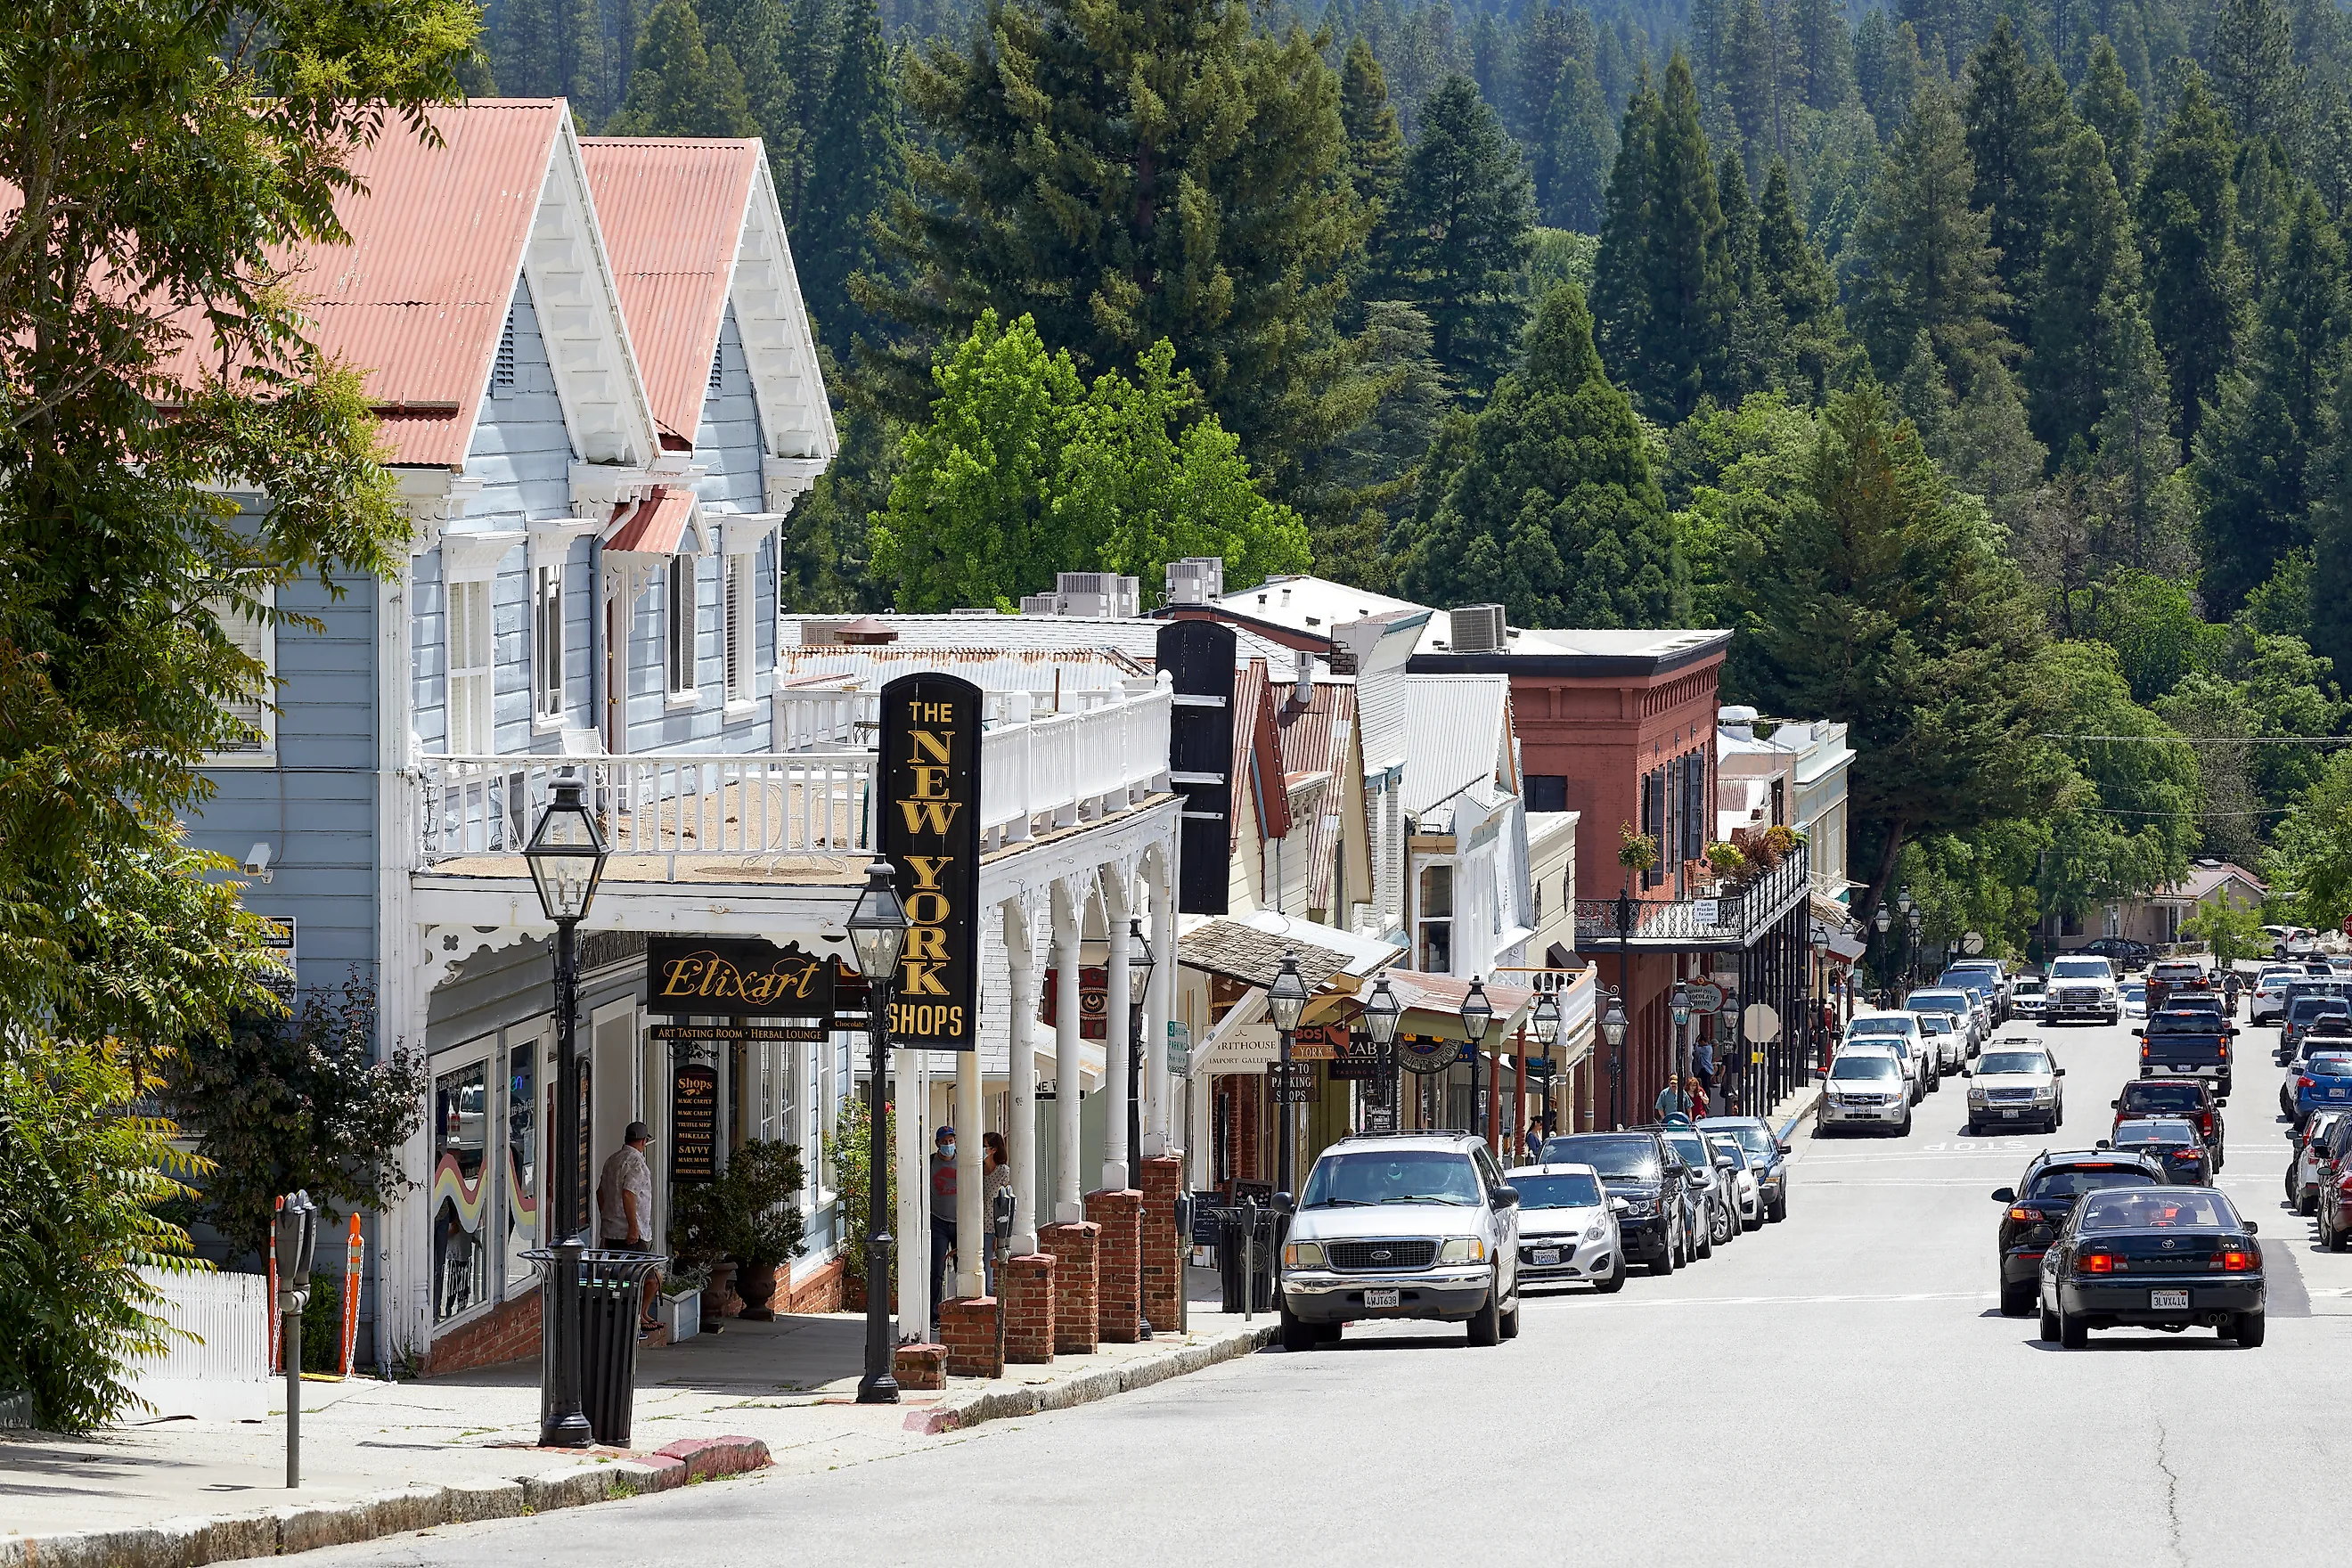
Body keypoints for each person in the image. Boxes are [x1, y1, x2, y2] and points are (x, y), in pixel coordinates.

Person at [596, 1122, 662, 1336]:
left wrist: (606, 1218)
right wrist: (634, 1227)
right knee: (651, 1280)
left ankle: (638, 1317)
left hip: (610, 1231)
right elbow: (628, 1193)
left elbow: (600, 1193)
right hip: (632, 1233)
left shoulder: (612, 1160)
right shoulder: (637, 1164)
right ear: (644, 1141)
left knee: (620, 1279)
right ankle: (638, 1318)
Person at [927, 1124, 957, 1338]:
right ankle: (934, 1315)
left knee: (963, 1267)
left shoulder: (964, 1162)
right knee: (936, 1270)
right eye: (944, 1141)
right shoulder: (930, 1163)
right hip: (938, 1221)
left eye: (951, 1140)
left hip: (960, 1223)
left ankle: (959, 1311)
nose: (948, 1145)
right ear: (937, 1143)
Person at [982, 1131, 1011, 1291]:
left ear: (993, 1150)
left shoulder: (1002, 1171)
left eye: (984, 1146)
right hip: (976, 1225)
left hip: (991, 1228)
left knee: (987, 1266)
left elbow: (1005, 1202)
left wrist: (1000, 1234)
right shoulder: (977, 1170)